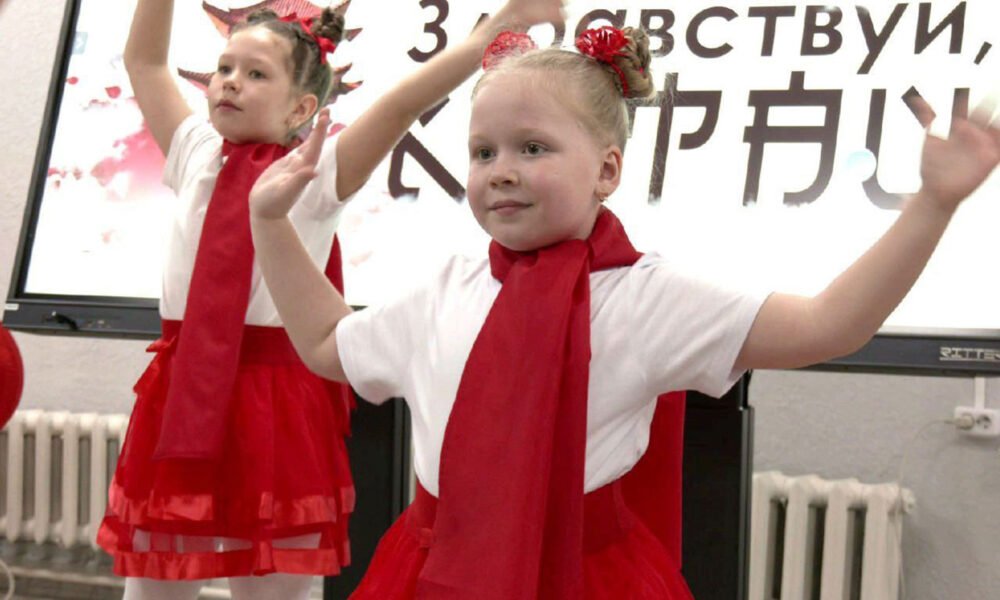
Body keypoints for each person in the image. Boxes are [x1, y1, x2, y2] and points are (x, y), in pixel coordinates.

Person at [247, 9, 1000, 600]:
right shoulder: (446, 287)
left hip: (585, 576)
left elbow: (829, 325)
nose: (501, 171)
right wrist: (270, 222)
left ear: (607, 170)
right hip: (433, 569)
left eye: (533, 148)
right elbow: (326, 343)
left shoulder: (644, 297)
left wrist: (932, 205)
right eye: (483, 152)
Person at [96, 2, 358, 599]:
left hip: (276, 406)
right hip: (181, 393)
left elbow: (397, 111)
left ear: (302, 108)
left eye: (256, 73)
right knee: (155, 581)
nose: (231, 82)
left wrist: (488, 37)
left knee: (276, 584)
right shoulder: (195, 150)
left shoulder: (316, 172)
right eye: (224, 68)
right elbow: (144, 61)